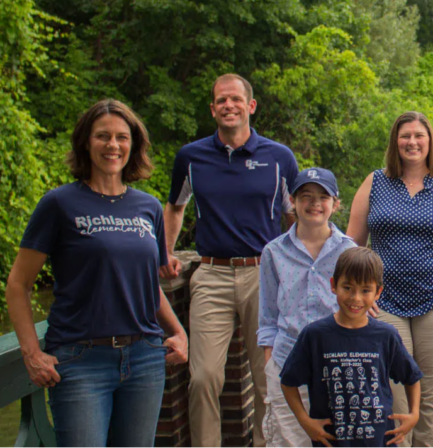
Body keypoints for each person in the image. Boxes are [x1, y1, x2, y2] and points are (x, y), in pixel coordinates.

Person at [6, 99, 188, 446]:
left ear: (133, 144)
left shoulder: (148, 206)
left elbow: (148, 286)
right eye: (102, 136)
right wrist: (32, 353)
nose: (113, 145)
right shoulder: (59, 204)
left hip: (144, 358)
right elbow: (18, 283)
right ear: (86, 142)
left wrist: (179, 332)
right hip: (80, 360)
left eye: (122, 137)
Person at [162, 73, 299, 446]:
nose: (229, 106)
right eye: (221, 100)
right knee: (204, 375)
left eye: (235, 99)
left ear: (250, 106)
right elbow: (175, 208)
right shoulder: (191, 157)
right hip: (211, 273)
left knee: (265, 375)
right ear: (213, 109)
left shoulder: (279, 158)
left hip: (265, 276)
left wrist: (301, 267)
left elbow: (294, 218)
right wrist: (165, 252)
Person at [346, 111, 433, 447]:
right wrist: (357, 297)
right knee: (394, 400)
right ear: (395, 142)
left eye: (418, 136)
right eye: (405, 136)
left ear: (430, 142)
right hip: (383, 303)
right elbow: (353, 243)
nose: (412, 142)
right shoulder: (376, 182)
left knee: (430, 401)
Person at [280, 247, 423, 447]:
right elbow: (288, 382)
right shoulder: (315, 335)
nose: (355, 298)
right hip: (331, 441)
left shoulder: (386, 335)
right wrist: (305, 421)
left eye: (365, 290)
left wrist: (414, 414)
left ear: (378, 293)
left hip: (380, 441)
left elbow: (412, 377)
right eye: (347, 287)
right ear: (333, 285)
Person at [258, 167, 357, 446]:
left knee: (336, 440)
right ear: (292, 201)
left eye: (323, 197)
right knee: (289, 440)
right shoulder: (273, 252)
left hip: (338, 364)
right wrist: (271, 366)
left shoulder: (349, 252)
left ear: (335, 204)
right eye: (306, 196)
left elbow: (359, 310)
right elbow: (267, 317)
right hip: (288, 362)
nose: (315, 204)